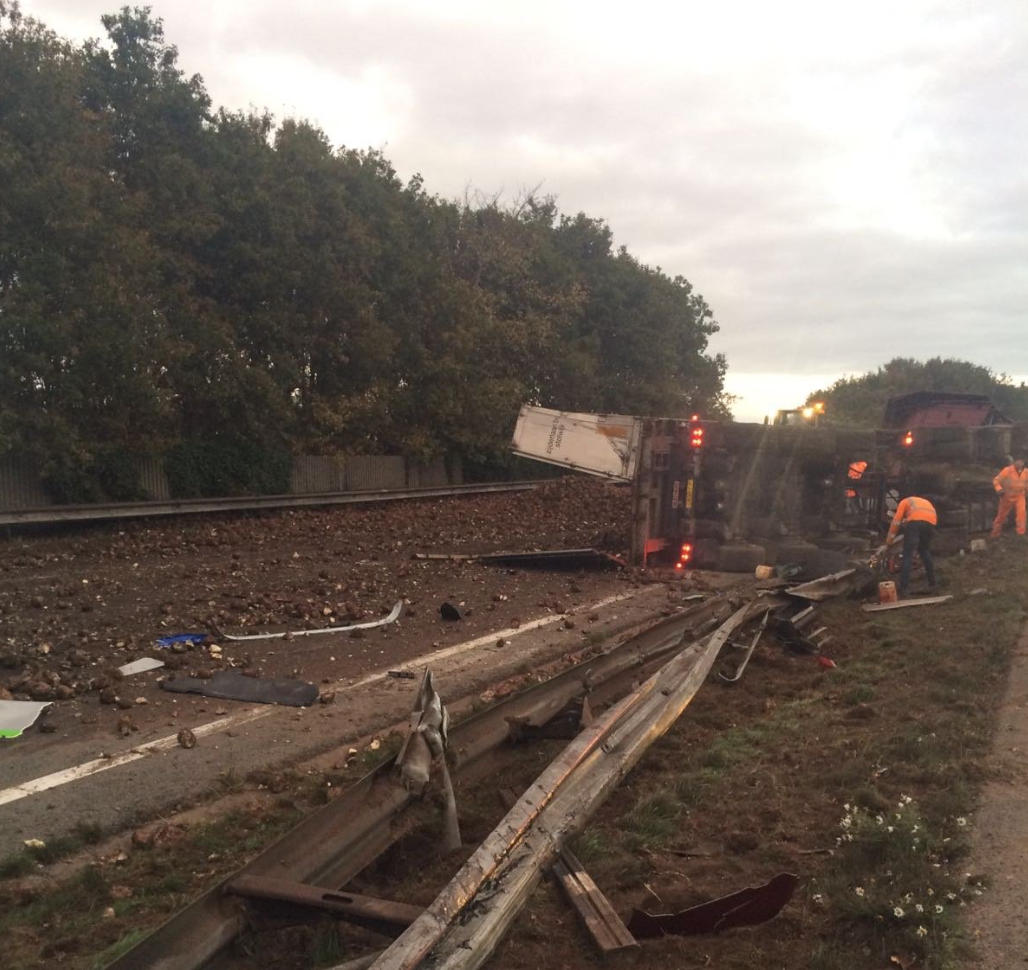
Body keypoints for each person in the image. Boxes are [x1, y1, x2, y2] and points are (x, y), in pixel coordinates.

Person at [885, 494, 937, 597]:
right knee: (925, 552)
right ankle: (933, 584)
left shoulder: (904, 502)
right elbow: (922, 517)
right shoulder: (923, 502)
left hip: (914, 523)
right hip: (930, 523)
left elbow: (896, 522)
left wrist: (889, 542)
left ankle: (904, 588)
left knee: (907, 555)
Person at [991, 457, 1027, 538]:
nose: (1020, 463)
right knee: (1001, 516)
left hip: (1019, 496)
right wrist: (999, 489)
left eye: (1021, 461)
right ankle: (995, 534)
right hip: (1007, 497)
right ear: (1014, 462)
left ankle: (1020, 534)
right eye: (1018, 461)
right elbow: (996, 480)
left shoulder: (1026, 472)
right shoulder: (1007, 470)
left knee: (1022, 514)